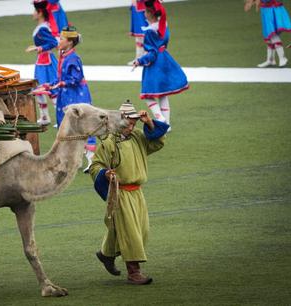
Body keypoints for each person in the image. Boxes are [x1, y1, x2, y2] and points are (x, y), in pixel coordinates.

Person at [90, 100, 169, 285]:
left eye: (134, 123)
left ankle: (106, 254)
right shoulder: (108, 142)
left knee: (139, 230)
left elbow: (158, 143)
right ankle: (134, 273)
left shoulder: (138, 137)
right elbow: (95, 165)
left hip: (137, 193)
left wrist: (148, 123)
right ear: (119, 121)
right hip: (120, 193)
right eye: (129, 123)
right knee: (131, 233)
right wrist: (105, 173)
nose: (131, 127)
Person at [132, 0, 188, 131]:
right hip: (165, 60)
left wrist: (139, 61)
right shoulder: (163, 26)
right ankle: (166, 124)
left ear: (150, 13)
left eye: (145, 11)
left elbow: (152, 53)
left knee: (148, 95)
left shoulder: (150, 31)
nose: (144, 13)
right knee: (163, 94)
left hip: (155, 65)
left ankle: (160, 119)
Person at [46, 25, 96, 172]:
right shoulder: (63, 55)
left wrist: (60, 84)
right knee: (67, 127)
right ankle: (70, 160)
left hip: (76, 96)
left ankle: (92, 159)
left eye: (61, 38)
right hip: (66, 95)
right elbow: (61, 77)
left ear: (69, 42)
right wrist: (52, 84)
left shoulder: (73, 58)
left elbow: (76, 78)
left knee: (82, 126)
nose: (58, 40)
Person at [26, 0, 59, 126]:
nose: (33, 14)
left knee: (51, 89)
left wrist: (37, 48)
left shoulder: (43, 28)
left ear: (40, 13)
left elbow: (53, 43)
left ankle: (59, 118)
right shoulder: (42, 27)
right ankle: (45, 116)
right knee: (39, 89)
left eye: (34, 11)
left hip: (46, 62)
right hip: (42, 61)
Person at [244, 0, 291, 67]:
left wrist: (254, 1)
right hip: (266, 10)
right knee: (268, 36)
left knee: (273, 35)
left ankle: (282, 58)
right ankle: (271, 60)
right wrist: (252, 2)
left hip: (272, 9)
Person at [128, 0, 148, 65]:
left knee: (145, 34)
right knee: (139, 36)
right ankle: (139, 58)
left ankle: (146, 58)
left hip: (143, 6)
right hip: (137, 7)